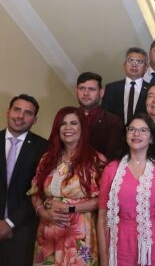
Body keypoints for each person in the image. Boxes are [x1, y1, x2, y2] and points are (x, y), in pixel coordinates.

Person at [28, 107, 106, 265]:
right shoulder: (47, 159)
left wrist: (70, 208)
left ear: (82, 128)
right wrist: (43, 213)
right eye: (63, 124)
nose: (68, 127)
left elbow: (102, 201)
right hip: (48, 234)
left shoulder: (96, 160)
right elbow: (35, 192)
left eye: (73, 123)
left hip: (80, 237)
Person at [98, 114, 155, 266]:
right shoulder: (111, 169)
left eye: (143, 130)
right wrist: (103, 257)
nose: (136, 134)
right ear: (126, 135)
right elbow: (102, 217)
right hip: (120, 244)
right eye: (132, 129)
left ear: (152, 138)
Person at [0, 94, 48, 266]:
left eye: (28, 113)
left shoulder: (45, 148)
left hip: (23, 231)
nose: (20, 116)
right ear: (8, 112)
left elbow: (41, 191)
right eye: (17, 109)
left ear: (34, 120)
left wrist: (10, 223)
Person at [76, 72, 124, 160]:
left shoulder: (113, 122)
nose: (86, 93)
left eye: (91, 89)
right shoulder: (67, 117)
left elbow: (113, 159)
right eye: (82, 88)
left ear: (101, 93)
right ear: (76, 91)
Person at [102, 47, 150, 124]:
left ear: (146, 68)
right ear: (124, 65)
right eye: (130, 61)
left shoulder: (151, 90)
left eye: (139, 62)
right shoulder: (111, 88)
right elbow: (105, 115)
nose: (134, 65)